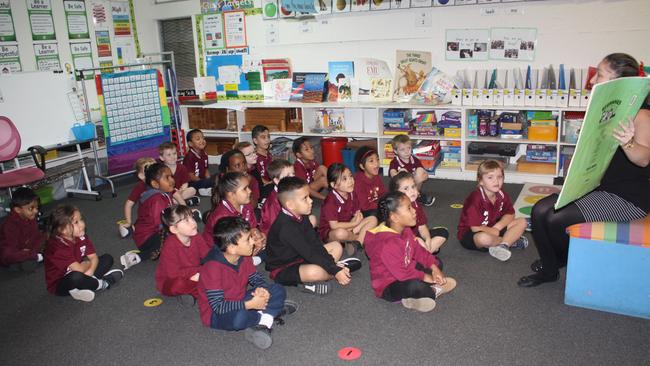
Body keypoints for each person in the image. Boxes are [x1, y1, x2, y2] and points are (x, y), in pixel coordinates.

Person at [519, 53, 650, 287]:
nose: (591, 81)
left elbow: (643, 159)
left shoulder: (642, 115)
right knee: (539, 211)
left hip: (628, 197)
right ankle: (552, 266)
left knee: (556, 220)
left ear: (619, 80)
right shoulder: (608, 109)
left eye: (599, 74)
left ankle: (560, 261)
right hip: (600, 186)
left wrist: (627, 142)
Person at [197, 216, 297, 350]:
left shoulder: (244, 256)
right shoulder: (212, 268)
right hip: (216, 314)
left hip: (240, 299)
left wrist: (262, 289)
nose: (253, 241)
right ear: (232, 248)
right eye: (247, 239)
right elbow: (218, 306)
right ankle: (266, 318)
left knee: (277, 289)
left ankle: (262, 320)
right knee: (239, 317)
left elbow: (255, 278)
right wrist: (250, 304)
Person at [266, 177, 362, 296]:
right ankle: (339, 270)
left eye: (309, 196)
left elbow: (315, 242)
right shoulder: (286, 228)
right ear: (290, 205)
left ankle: (337, 269)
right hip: (284, 268)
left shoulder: (301, 214)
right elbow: (309, 252)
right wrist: (334, 268)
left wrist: (330, 265)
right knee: (315, 272)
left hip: (301, 256)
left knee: (336, 246)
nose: (311, 201)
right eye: (305, 198)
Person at [365, 192, 456, 312]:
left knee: (438, 263)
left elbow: (418, 251)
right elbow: (402, 274)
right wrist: (428, 278)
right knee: (415, 286)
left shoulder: (405, 230)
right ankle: (434, 290)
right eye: (409, 208)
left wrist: (434, 268)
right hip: (389, 285)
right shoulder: (387, 243)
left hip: (406, 268)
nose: (414, 211)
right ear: (394, 217)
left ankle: (414, 298)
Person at [44, 205, 123, 302]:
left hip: (83, 272)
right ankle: (102, 284)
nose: (82, 224)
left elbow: (93, 257)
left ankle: (83, 287)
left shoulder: (81, 236)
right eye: (76, 222)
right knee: (76, 277)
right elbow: (79, 269)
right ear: (62, 230)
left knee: (108, 258)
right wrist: (86, 266)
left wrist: (90, 271)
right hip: (61, 283)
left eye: (81, 219)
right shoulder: (57, 247)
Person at [457, 160, 528, 262]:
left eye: (499, 177)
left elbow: (511, 214)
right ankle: (510, 241)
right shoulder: (475, 199)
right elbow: (475, 228)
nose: (496, 181)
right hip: (472, 234)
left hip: (494, 227)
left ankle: (503, 245)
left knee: (522, 221)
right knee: (483, 238)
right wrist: (494, 231)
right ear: (480, 181)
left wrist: (497, 228)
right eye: (490, 177)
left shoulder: (502, 194)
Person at [120, 162, 175, 269]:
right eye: (167, 178)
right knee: (175, 239)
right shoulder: (156, 200)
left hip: (155, 233)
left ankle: (154, 252)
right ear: (155, 184)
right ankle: (139, 256)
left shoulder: (165, 192)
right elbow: (160, 224)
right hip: (147, 237)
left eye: (171, 176)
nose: (172, 180)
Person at [203, 172, 265, 265]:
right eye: (245, 189)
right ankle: (249, 263)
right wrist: (252, 246)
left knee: (270, 241)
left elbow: (251, 227)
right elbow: (229, 247)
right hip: (219, 251)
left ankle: (252, 260)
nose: (249, 191)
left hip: (239, 241)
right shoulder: (222, 217)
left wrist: (257, 235)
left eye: (248, 187)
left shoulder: (246, 204)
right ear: (231, 194)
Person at [155, 205, 211, 303]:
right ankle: (201, 292)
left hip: (194, 274)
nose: (193, 222)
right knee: (179, 284)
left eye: (192, 217)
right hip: (170, 282)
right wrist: (200, 271)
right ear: (174, 229)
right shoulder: (170, 246)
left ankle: (194, 293)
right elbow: (173, 274)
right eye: (186, 220)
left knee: (217, 269)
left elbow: (208, 256)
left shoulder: (196, 236)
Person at [319, 163, 377, 251]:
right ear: (334, 185)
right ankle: (359, 239)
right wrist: (354, 223)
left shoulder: (352, 193)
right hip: (331, 232)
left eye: (350, 176)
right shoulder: (330, 201)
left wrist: (357, 218)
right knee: (340, 233)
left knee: (373, 219)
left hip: (349, 227)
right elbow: (334, 226)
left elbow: (357, 213)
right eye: (344, 179)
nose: (350, 181)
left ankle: (356, 243)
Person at [389, 171, 448, 254]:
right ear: (396, 193)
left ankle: (423, 253)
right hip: (403, 243)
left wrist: (428, 240)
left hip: (416, 237)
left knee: (443, 232)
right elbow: (401, 236)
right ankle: (422, 255)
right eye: (406, 189)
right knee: (436, 259)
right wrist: (419, 241)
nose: (412, 191)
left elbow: (422, 226)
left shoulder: (416, 204)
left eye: (413, 186)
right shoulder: (398, 210)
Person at [0, 187, 44, 271]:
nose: (35, 211)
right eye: (31, 208)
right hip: (12, 251)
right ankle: (29, 260)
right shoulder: (10, 226)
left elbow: (36, 236)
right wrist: (31, 254)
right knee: (26, 264)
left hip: (27, 249)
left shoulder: (30, 217)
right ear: (18, 210)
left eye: (36, 207)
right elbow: (10, 251)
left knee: (51, 238)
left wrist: (32, 250)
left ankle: (35, 257)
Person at [388, 134, 435, 206]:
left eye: (409, 148)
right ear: (396, 151)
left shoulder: (414, 159)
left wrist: (423, 175)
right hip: (400, 188)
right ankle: (406, 198)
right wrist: (400, 175)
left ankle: (416, 194)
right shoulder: (394, 162)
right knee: (403, 172)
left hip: (412, 186)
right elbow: (393, 174)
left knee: (420, 171)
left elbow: (423, 173)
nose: (407, 152)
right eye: (402, 149)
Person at [120, 157, 156, 238]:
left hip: (162, 213)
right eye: (149, 171)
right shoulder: (140, 187)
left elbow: (175, 194)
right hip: (146, 219)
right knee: (128, 232)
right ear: (141, 176)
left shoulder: (161, 181)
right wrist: (128, 221)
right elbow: (129, 204)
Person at [159, 141, 199, 206]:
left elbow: (185, 182)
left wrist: (182, 189)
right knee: (161, 196)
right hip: (168, 192)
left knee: (193, 190)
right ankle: (183, 202)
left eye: (174, 153)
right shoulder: (161, 170)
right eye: (169, 155)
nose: (173, 157)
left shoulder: (182, 167)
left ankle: (176, 201)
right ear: (162, 158)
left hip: (181, 192)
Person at [353, 146, 386, 217]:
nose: (377, 164)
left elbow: (383, 194)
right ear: (362, 166)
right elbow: (364, 206)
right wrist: (383, 205)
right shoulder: (358, 182)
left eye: (377, 160)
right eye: (371, 161)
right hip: (363, 213)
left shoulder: (377, 177)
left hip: (376, 207)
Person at [182, 129, 213, 197]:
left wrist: (208, 179)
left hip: (202, 180)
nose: (202, 140)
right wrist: (203, 182)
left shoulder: (204, 154)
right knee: (213, 181)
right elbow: (190, 176)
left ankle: (206, 188)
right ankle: (204, 189)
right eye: (198, 139)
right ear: (190, 144)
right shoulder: (189, 156)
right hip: (192, 182)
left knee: (216, 178)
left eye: (203, 138)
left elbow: (206, 170)